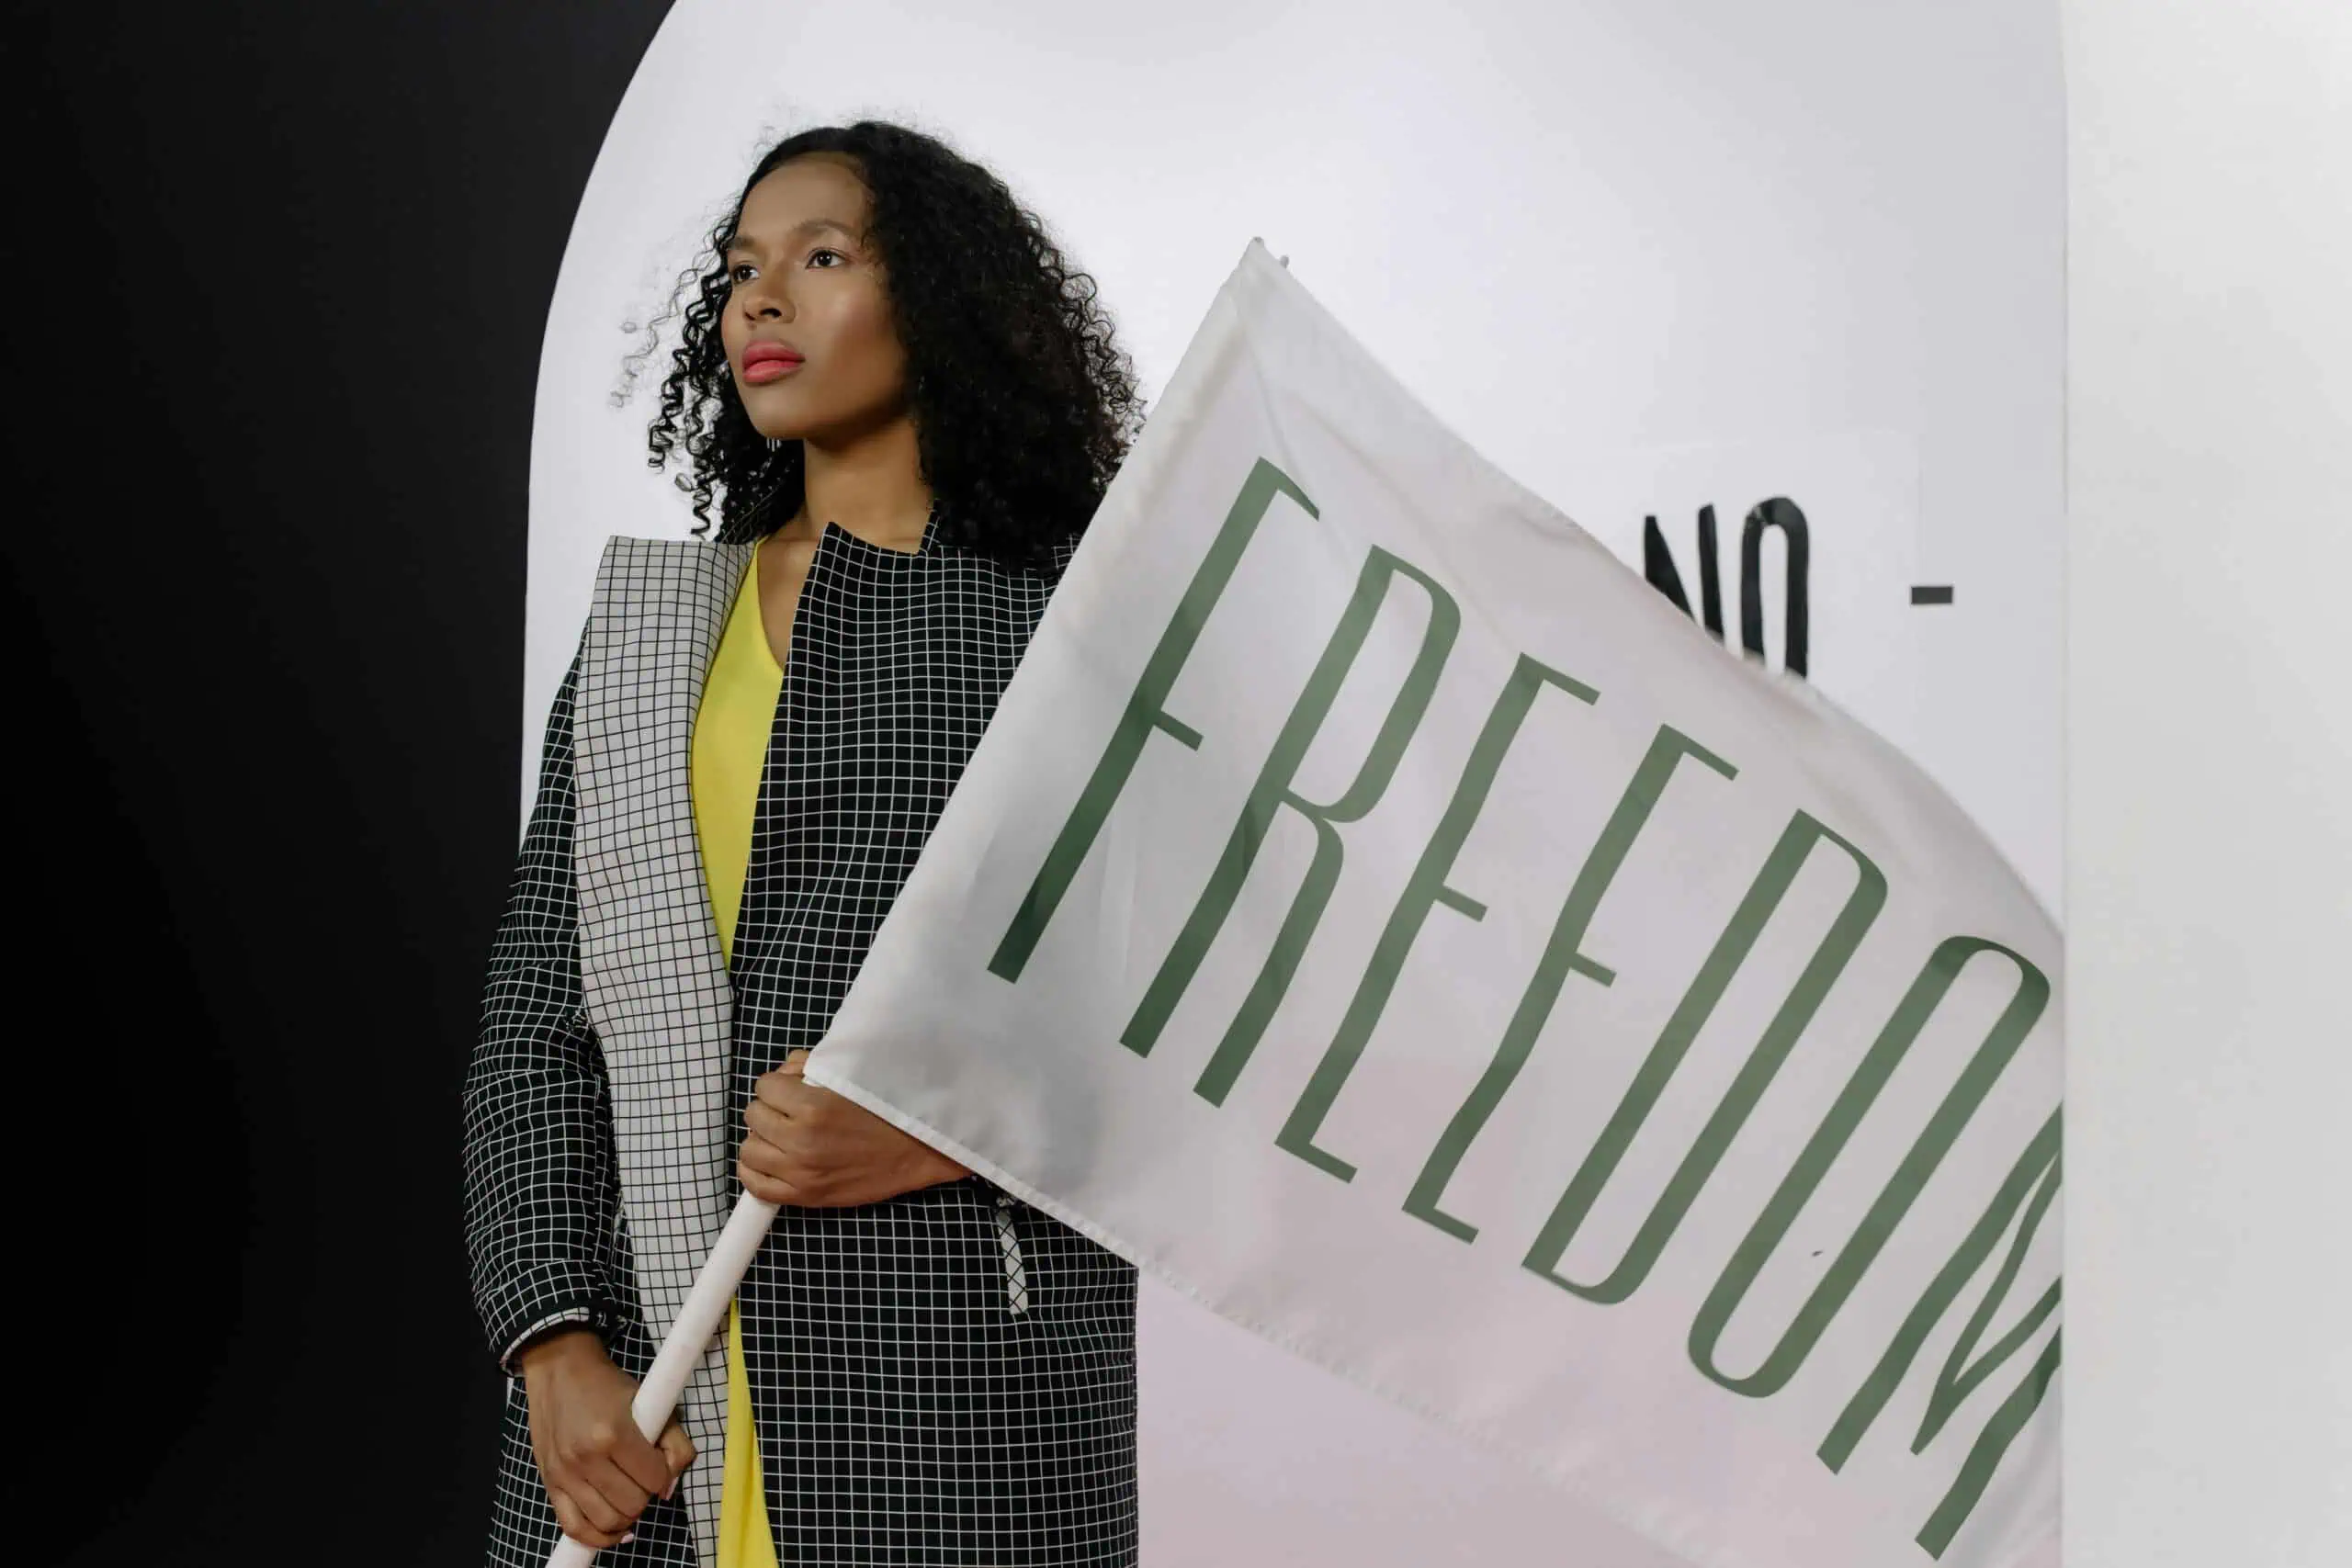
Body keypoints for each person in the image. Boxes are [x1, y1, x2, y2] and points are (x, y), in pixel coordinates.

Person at [462, 119, 1147, 1568]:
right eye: (739, 271)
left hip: (955, 1406)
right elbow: (534, 1028)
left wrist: (947, 1125)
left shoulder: (1071, 625)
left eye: (823, 257)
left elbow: (1194, 1008)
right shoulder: (650, 629)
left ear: (942, 298)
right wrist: (552, 1343)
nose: (760, 299)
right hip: (648, 1423)